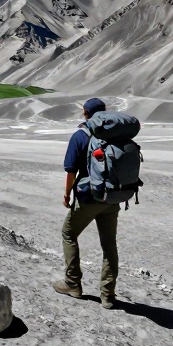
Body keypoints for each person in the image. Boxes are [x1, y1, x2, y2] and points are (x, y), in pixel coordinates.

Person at [53, 97, 120, 308]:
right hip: (111, 197)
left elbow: (71, 170)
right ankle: (107, 296)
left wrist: (67, 195)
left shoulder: (80, 135)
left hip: (89, 196)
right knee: (109, 244)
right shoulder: (115, 135)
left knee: (69, 234)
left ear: (85, 113)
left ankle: (73, 284)